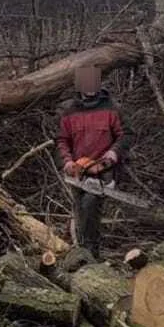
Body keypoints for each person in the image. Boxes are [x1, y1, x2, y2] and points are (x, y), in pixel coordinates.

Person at [56, 66, 131, 254]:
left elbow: (126, 135)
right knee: (79, 209)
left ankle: (91, 250)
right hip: (78, 170)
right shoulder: (69, 111)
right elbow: (62, 140)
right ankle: (81, 248)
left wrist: (112, 155)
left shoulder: (112, 108)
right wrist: (67, 161)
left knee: (90, 203)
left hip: (104, 169)